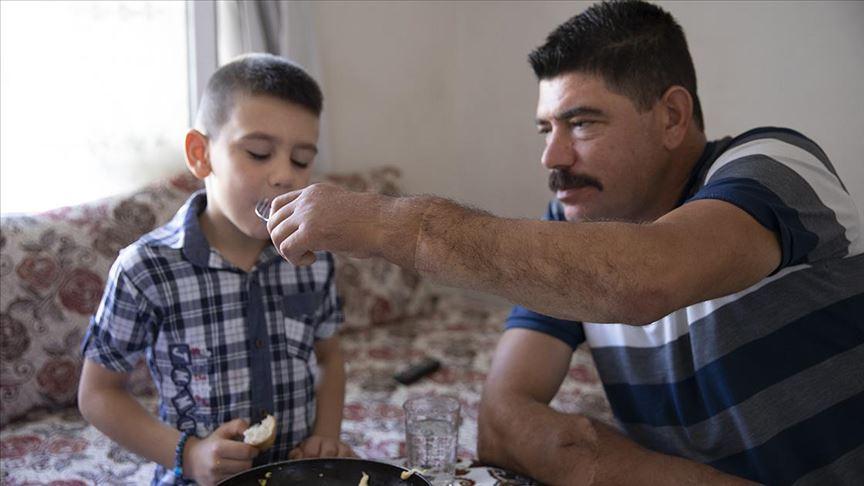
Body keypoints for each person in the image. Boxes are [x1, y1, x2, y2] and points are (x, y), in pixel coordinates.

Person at [263, 1, 864, 484]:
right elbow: (501, 420)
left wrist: (393, 225)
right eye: (545, 129)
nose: (551, 157)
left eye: (582, 123)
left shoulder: (774, 166)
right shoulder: (573, 223)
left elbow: (643, 280)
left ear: (673, 117)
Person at [78, 53, 355, 486]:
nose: (284, 175)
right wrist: (188, 455)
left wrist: (325, 436)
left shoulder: (311, 260)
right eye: (259, 153)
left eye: (301, 159)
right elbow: (97, 393)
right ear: (201, 154)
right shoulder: (146, 270)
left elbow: (330, 357)